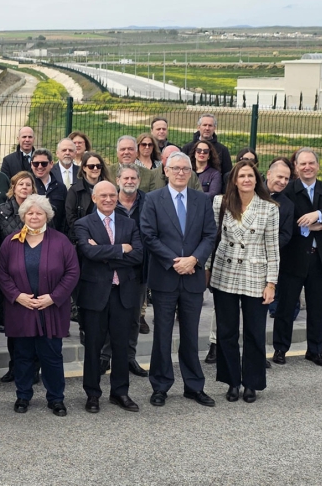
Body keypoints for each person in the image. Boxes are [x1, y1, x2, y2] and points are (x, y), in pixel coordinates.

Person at [141, 152, 217, 408]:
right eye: (175, 168)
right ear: (166, 170)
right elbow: (149, 235)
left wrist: (194, 260)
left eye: (185, 169)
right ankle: (160, 386)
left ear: (191, 172)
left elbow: (209, 234)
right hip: (165, 277)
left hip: (193, 277)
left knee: (191, 334)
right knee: (162, 334)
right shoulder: (152, 199)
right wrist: (176, 261)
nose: (181, 173)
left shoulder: (201, 200)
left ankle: (194, 386)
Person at [0, 194, 79, 416]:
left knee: (52, 355)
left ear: (47, 216)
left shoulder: (61, 241)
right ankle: (23, 395)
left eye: (39, 213)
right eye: (30, 213)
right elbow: (1, 273)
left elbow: (72, 272)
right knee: (22, 355)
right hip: (21, 308)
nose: (34, 216)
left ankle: (56, 398)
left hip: (50, 308)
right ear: (23, 215)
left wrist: (54, 297)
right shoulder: (11, 241)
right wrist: (16, 295)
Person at [208, 161, 279, 404]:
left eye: (251, 176)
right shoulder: (220, 203)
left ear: (257, 180)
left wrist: (271, 283)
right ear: (234, 180)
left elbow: (273, 249)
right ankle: (232, 381)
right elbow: (212, 238)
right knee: (226, 332)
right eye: (242, 176)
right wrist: (207, 268)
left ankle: (252, 383)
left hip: (255, 275)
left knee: (254, 333)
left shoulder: (269, 209)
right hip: (225, 272)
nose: (246, 180)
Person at [272, 148, 322, 368]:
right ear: (296, 166)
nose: (307, 167)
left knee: (317, 308)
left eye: (311, 163)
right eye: (302, 164)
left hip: (321, 259)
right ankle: (280, 348)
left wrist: (319, 214)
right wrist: (309, 226)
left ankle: (315, 350)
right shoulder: (287, 190)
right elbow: (281, 222)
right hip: (294, 257)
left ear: (318, 165)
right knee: (286, 306)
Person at [75, 182, 144, 413]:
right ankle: (93, 394)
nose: (108, 199)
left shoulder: (129, 223)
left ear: (117, 196)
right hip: (95, 294)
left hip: (123, 293)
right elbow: (88, 252)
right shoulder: (83, 224)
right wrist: (120, 249)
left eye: (112, 195)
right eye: (102, 195)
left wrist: (104, 251)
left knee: (121, 345)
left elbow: (138, 256)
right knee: (93, 345)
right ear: (94, 198)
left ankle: (120, 392)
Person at [105, 164, 151, 373]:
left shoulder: (149, 203)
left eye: (133, 178)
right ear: (118, 180)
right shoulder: (108, 202)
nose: (130, 182)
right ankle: (105, 357)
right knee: (107, 316)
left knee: (133, 318)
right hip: (109, 270)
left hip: (138, 270)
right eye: (126, 178)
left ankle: (129, 358)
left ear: (138, 181)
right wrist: (116, 253)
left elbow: (148, 240)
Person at [0, 171, 38, 374]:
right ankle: (15, 366)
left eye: (28, 185)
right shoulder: (2, 211)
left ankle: (34, 368)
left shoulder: (40, 210)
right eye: (21, 184)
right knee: (14, 326)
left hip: (35, 275)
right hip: (9, 276)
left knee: (35, 325)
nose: (24, 188)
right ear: (14, 187)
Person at [65, 151, 110, 243]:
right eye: (91, 166)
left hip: (106, 236)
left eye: (98, 166)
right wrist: (86, 237)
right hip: (82, 238)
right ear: (84, 168)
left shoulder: (109, 188)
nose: (95, 168)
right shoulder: (75, 190)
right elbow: (71, 217)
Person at [181, 113, 232, 179]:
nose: (207, 128)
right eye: (204, 125)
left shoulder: (223, 150)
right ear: (198, 127)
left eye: (210, 125)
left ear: (214, 128)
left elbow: (227, 175)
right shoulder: (187, 148)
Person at [30, 148, 67, 232]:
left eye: (44, 163)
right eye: (36, 164)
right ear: (31, 164)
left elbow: (65, 216)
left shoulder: (61, 187)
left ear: (51, 164)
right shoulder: (27, 186)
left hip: (55, 235)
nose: (40, 167)